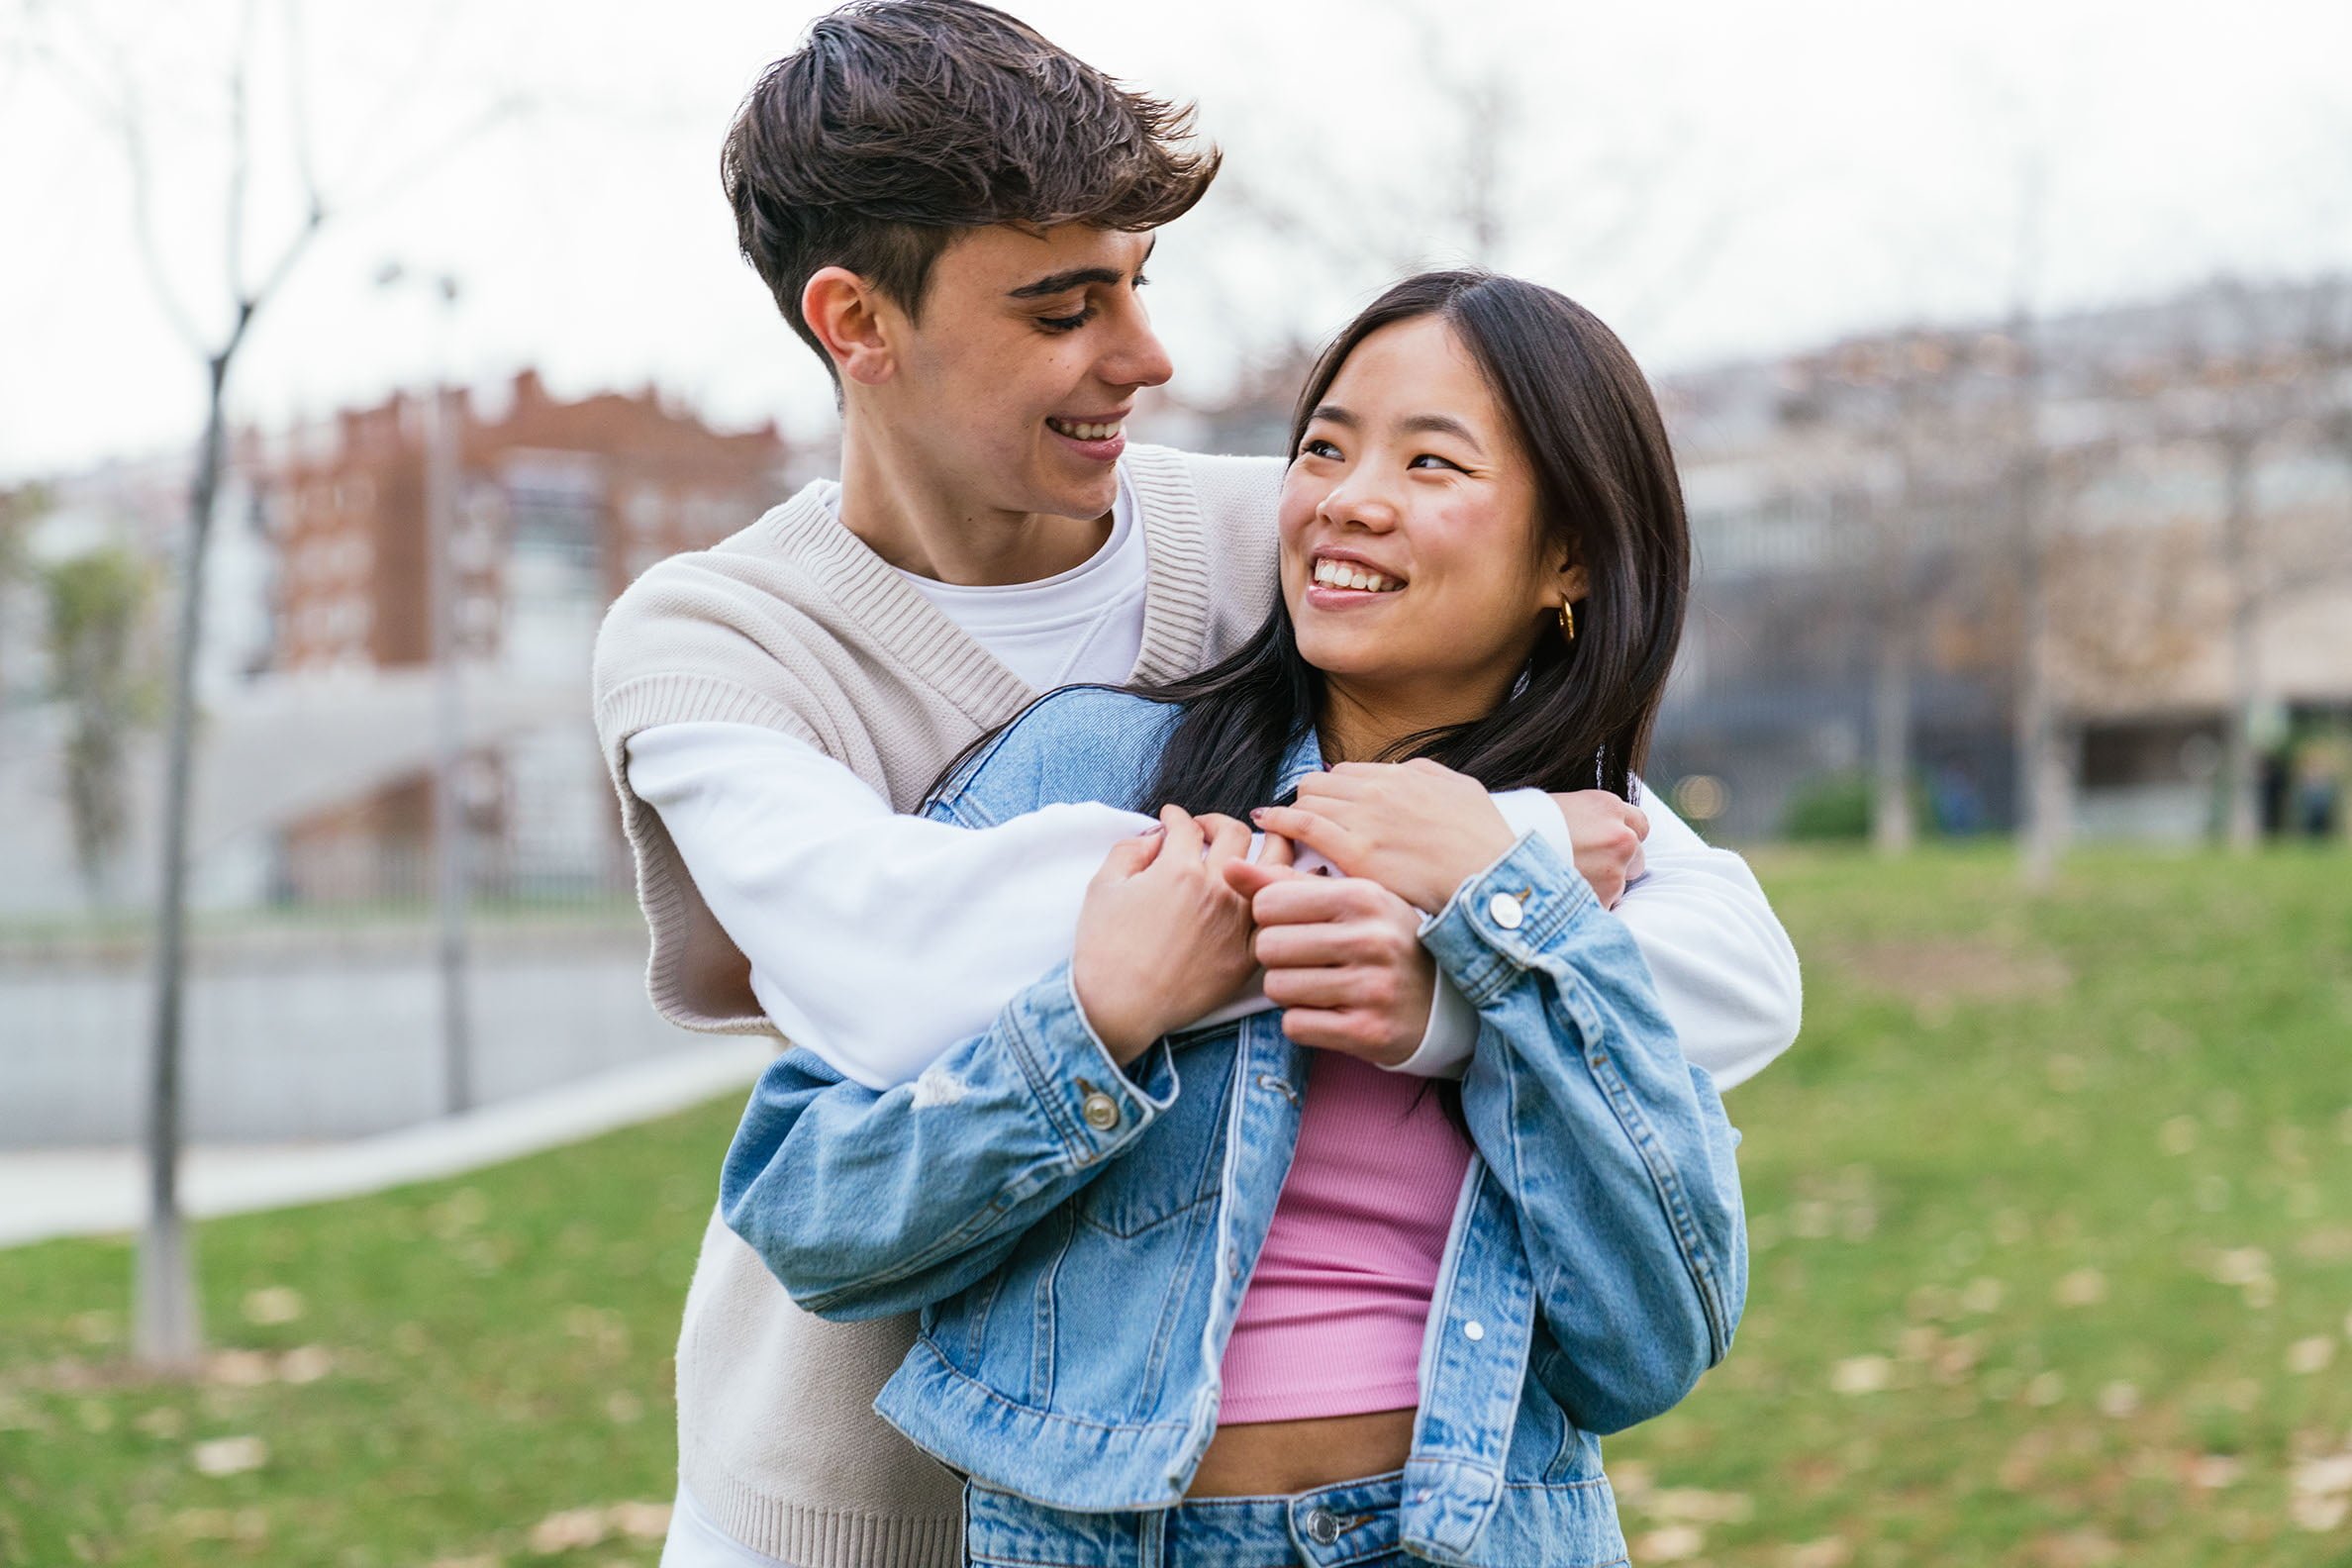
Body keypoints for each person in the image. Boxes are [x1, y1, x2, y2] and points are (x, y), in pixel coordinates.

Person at [591, 5, 1801, 1565]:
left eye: (1140, 285)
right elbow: (888, 977)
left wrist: (1466, 919)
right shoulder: (709, 641)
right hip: (848, 1496)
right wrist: (1425, 882)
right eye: (1062, 306)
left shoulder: (1288, 546)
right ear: (857, 323)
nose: (1146, 357)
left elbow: (1684, 924)